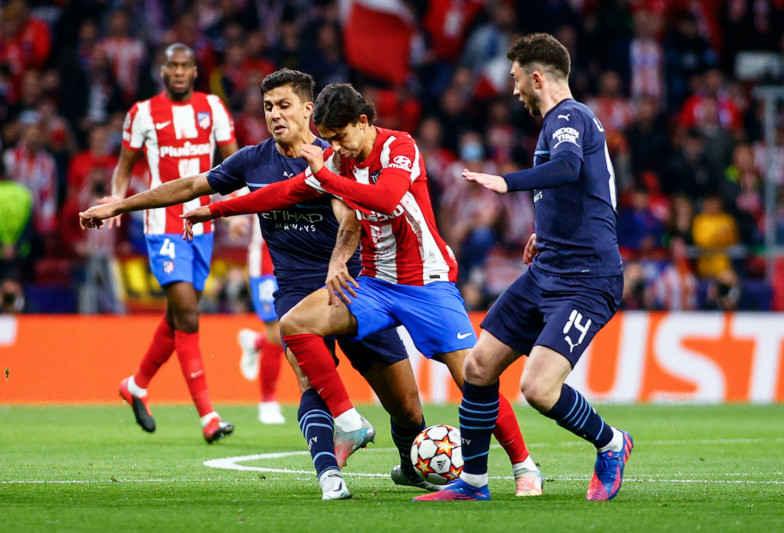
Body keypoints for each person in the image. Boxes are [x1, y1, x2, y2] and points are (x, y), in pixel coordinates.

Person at [82, 69, 465, 500]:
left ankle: (412, 466)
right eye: (268, 107)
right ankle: (331, 475)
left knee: (408, 408)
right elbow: (191, 185)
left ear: (308, 108)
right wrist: (122, 204)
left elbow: (350, 218)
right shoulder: (254, 160)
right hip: (296, 289)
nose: (275, 115)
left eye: (284, 105)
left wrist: (339, 260)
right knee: (309, 378)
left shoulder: (334, 155)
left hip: (354, 287)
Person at [180, 82, 544, 498]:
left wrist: (324, 175)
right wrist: (213, 208)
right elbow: (280, 193)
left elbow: (386, 199)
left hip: (426, 284)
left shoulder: (399, 148)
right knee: (295, 323)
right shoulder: (335, 161)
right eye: (329, 140)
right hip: (372, 283)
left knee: (475, 377)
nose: (336, 147)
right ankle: (350, 422)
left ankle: (524, 466)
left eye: (340, 137)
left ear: (363, 122)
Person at [414, 33, 633, 502]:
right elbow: (581, 188)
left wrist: (505, 182)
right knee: (478, 366)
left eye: (516, 80)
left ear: (537, 77)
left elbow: (570, 167)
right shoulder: (555, 123)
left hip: (586, 279)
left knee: (538, 387)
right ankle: (473, 483)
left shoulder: (570, 117)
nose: (513, 91)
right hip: (548, 268)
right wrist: (544, 231)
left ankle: (612, 443)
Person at [89, 43, 239, 443]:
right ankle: (208, 416)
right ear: (162, 70)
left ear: (195, 71)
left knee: (177, 316)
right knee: (188, 313)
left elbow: (233, 163)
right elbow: (124, 168)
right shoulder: (142, 112)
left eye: (184, 65)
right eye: (171, 65)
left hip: (202, 226)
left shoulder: (215, 108)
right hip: (162, 224)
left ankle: (136, 385)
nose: (177, 71)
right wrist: (117, 203)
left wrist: (236, 208)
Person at [232, 215, 287, 425]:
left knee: (296, 327)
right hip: (266, 262)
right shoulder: (257, 181)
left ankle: (256, 342)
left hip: (300, 257)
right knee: (276, 330)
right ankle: (268, 403)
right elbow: (233, 192)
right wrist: (233, 218)